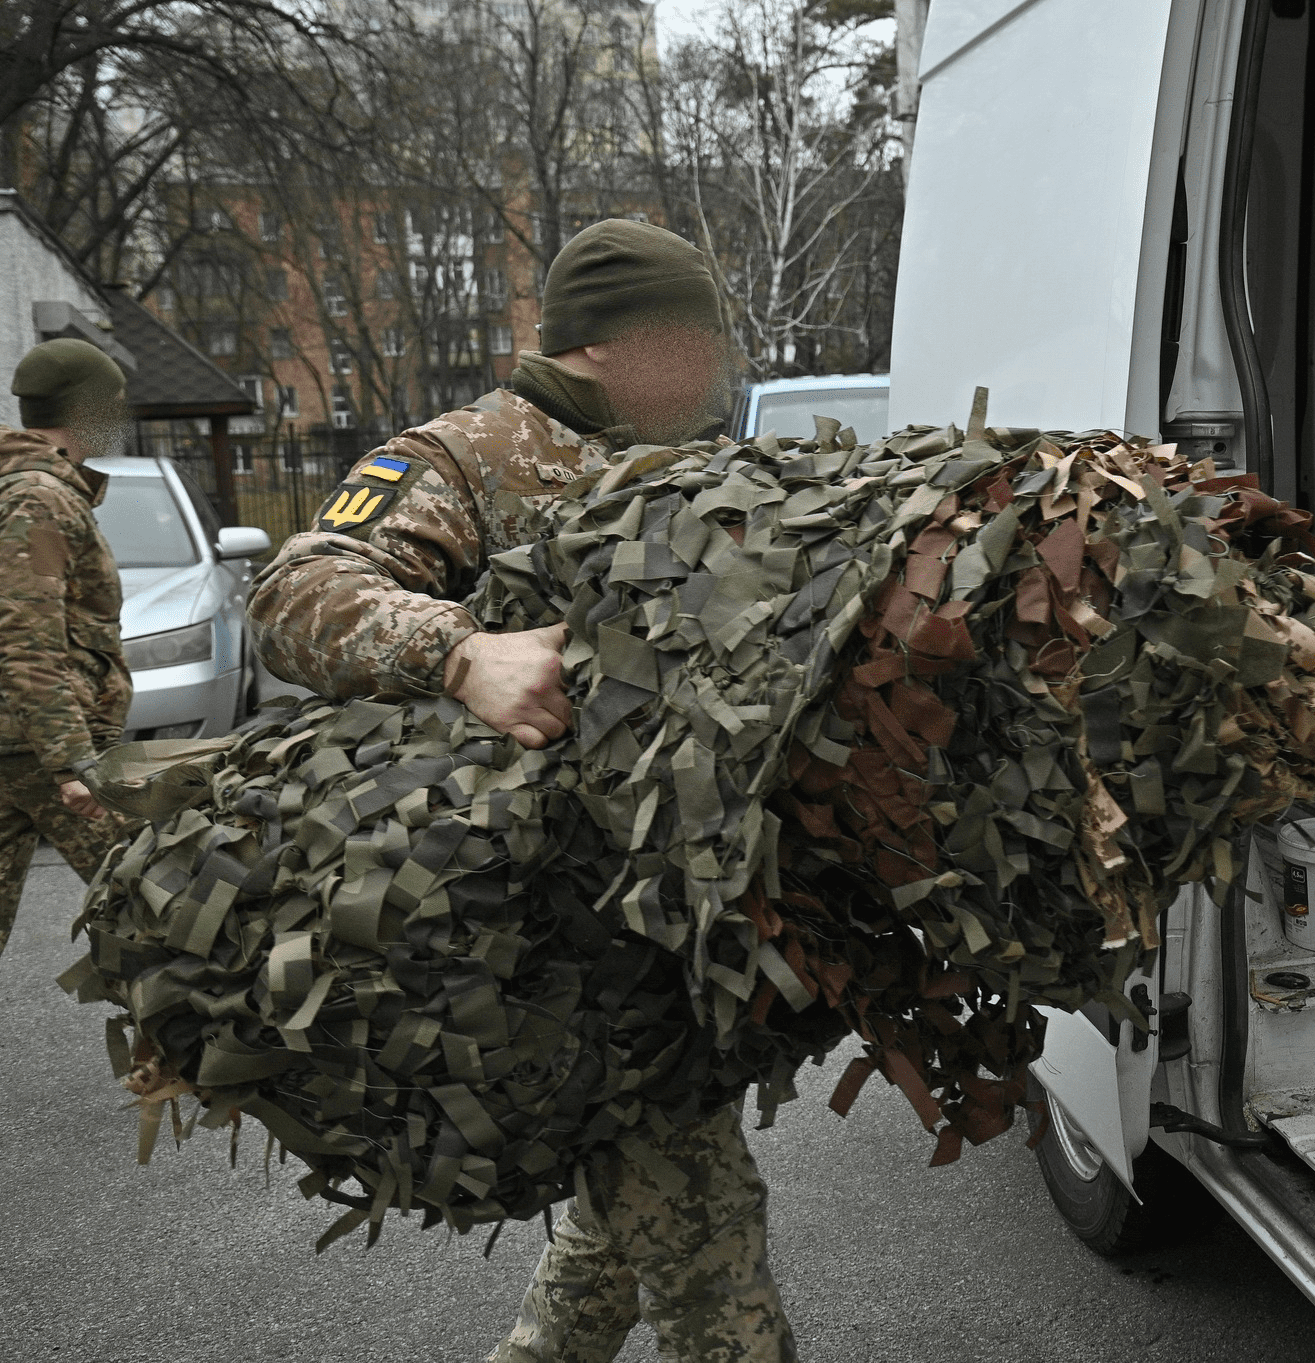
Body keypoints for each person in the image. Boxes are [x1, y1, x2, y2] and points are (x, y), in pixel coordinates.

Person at [248, 219, 796, 1363]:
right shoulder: (464, 454)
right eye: (691, 342)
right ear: (613, 342)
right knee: (707, 1249)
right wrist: (459, 654)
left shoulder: (693, 460)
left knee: (613, 1237)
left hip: (678, 935)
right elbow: (296, 591)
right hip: (560, 949)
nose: (712, 368)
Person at [0, 338, 133, 961]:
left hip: (25, 744)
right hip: (43, 751)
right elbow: (27, 644)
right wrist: (73, 766)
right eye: (116, 404)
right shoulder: (39, 498)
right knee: (160, 915)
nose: (123, 419)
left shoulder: (35, 488)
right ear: (86, 411)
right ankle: (168, 1060)